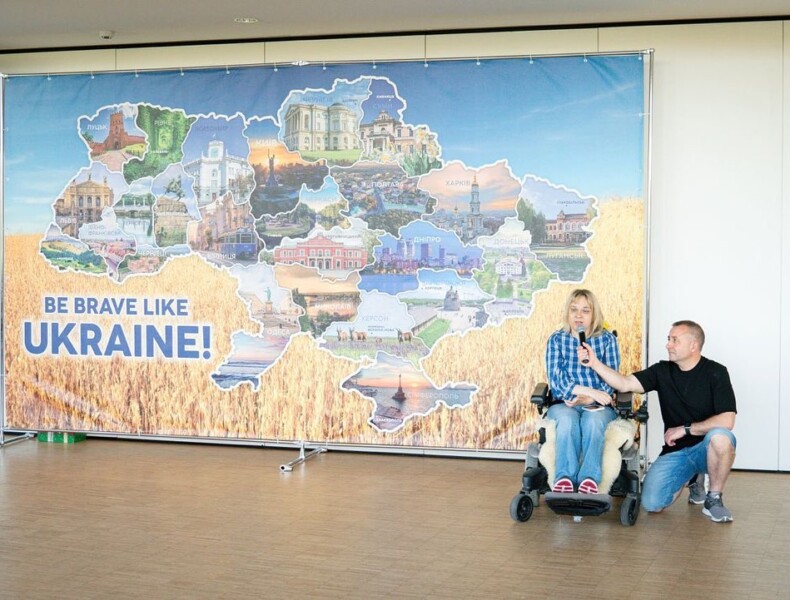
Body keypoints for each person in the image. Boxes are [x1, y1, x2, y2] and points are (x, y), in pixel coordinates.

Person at [581, 320, 737, 523]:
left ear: (693, 346)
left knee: (721, 437)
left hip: (705, 449)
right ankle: (692, 477)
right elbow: (624, 383)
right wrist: (594, 363)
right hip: (677, 451)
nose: (668, 345)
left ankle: (713, 499)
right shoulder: (662, 371)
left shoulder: (716, 372)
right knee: (652, 503)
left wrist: (685, 429)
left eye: (675, 340)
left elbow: (727, 420)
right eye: (668, 339)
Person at [545, 289, 621, 494]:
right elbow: (557, 382)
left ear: (594, 314)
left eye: (585, 311)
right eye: (574, 310)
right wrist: (589, 392)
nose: (578, 316)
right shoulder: (556, 340)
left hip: (597, 406)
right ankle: (565, 477)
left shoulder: (607, 340)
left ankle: (589, 478)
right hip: (564, 403)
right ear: (567, 313)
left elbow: (611, 381)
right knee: (567, 421)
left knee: (593, 421)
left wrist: (589, 399)